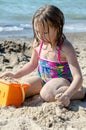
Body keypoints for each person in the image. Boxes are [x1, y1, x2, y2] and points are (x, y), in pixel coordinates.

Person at [0, 5, 85, 107]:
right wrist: (15, 75)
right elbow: (32, 65)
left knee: (46, 94)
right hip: (43, 80)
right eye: (37, 32)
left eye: (45, 32)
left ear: (58, 28)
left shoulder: (65, 48)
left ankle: (81, 92)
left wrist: (68, 94)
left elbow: (78, 77)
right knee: (21, 89)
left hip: (63, 82)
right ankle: (45, 92)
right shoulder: (38, 43)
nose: (40, 36)